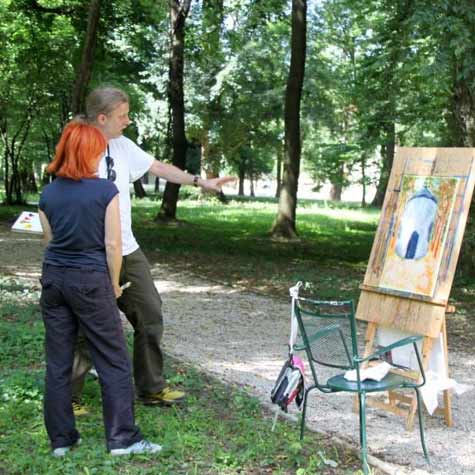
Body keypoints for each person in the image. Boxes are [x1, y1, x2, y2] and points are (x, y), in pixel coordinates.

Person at [71, 86, 234, 410]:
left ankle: (151, 388)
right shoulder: (77, 148)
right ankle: (68, 396)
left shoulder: (122, 145)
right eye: (122, 116)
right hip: (89, 253)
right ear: (102, 118)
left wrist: (200, 182)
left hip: (127, 249)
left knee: (149, 313)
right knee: (87, 325)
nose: (127, 121)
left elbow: (157, 167)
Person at [39, 121, 161, 456]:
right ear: (90, 152)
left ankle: (61, 441)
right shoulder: (106, 191)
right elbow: (112, 243)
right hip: (90, 279)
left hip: (54, 280)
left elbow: (49, 242)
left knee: (58, 360)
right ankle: (123, 439)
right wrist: (113, 285)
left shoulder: (48, 193)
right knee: (113, 358)